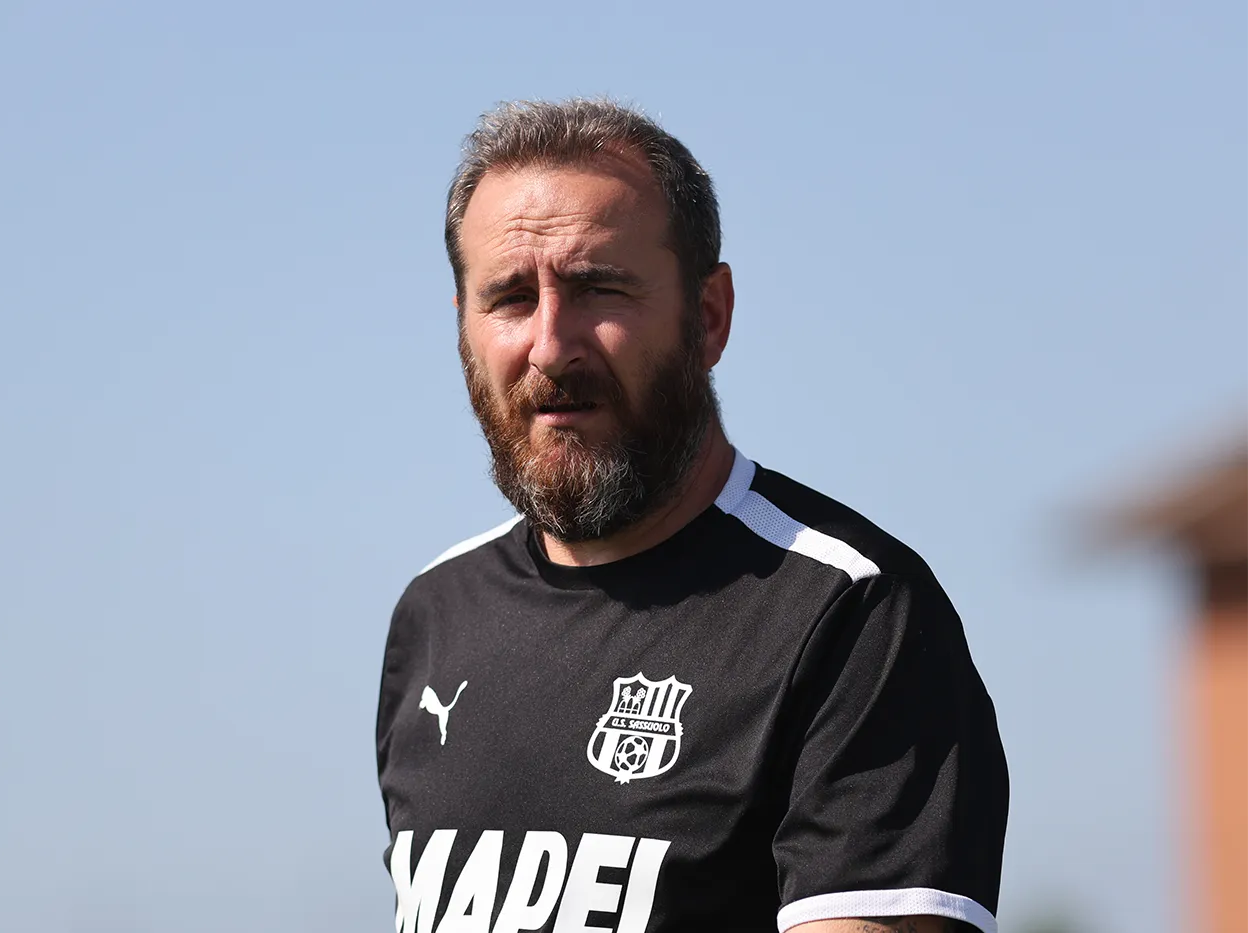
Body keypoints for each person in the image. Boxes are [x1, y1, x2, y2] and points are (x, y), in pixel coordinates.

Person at [375, 98, 1009, 933]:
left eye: (599, 288)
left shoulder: (852, 614)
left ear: (709, 316)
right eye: (511, 298)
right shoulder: (433, 614)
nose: (551, 345)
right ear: (463, 324)